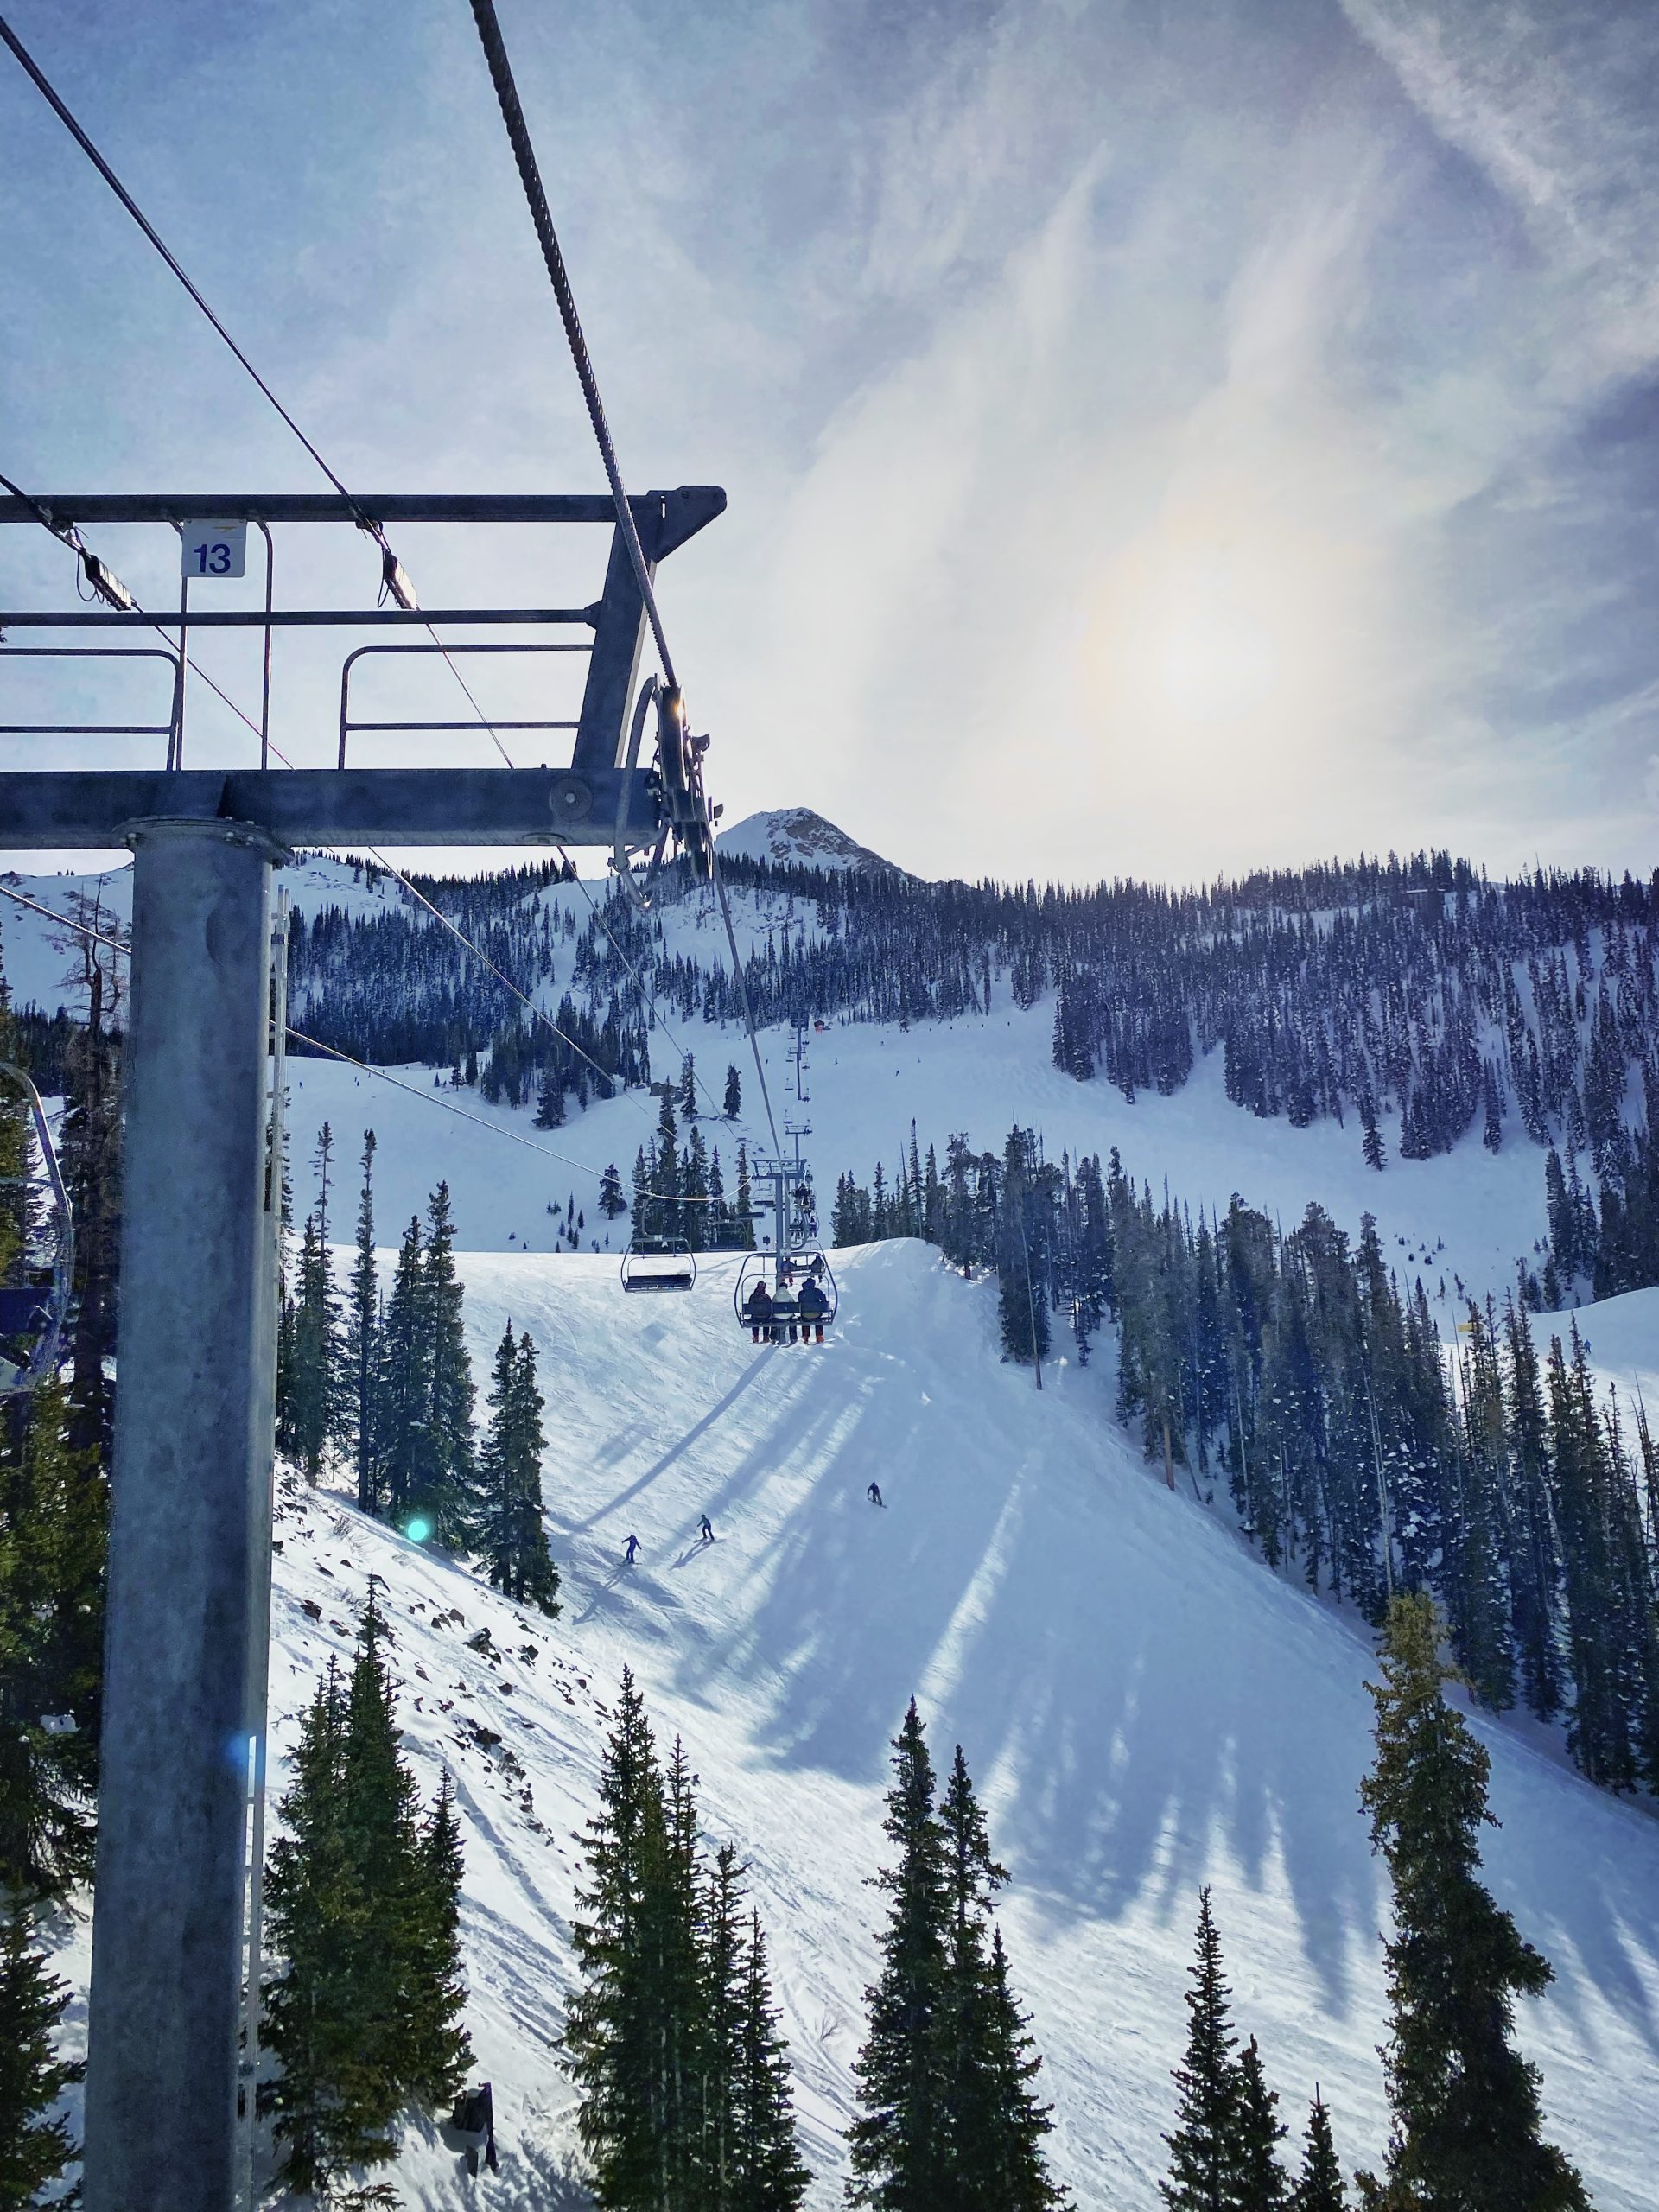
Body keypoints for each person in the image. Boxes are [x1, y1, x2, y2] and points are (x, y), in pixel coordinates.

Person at [797, 1276, 828, 1344]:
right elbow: (824, 1300)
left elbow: (799, 1300)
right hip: (816, 1314)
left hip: (805, 1314)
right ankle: (819, 1337)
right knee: (818, 1320)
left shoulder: (801, 1293)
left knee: (805, 1320)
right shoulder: (817, 1291)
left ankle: (805, 1338)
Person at [745, 1277, 773, 1344]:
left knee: (755, 1321)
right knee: (767, 1321)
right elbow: (771, 1306)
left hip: (755, 1317)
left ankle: (755, 1336)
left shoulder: (753, 1296)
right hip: (765, 1318)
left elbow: (750, 1306)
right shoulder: (766, 1297)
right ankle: (766, 1336)